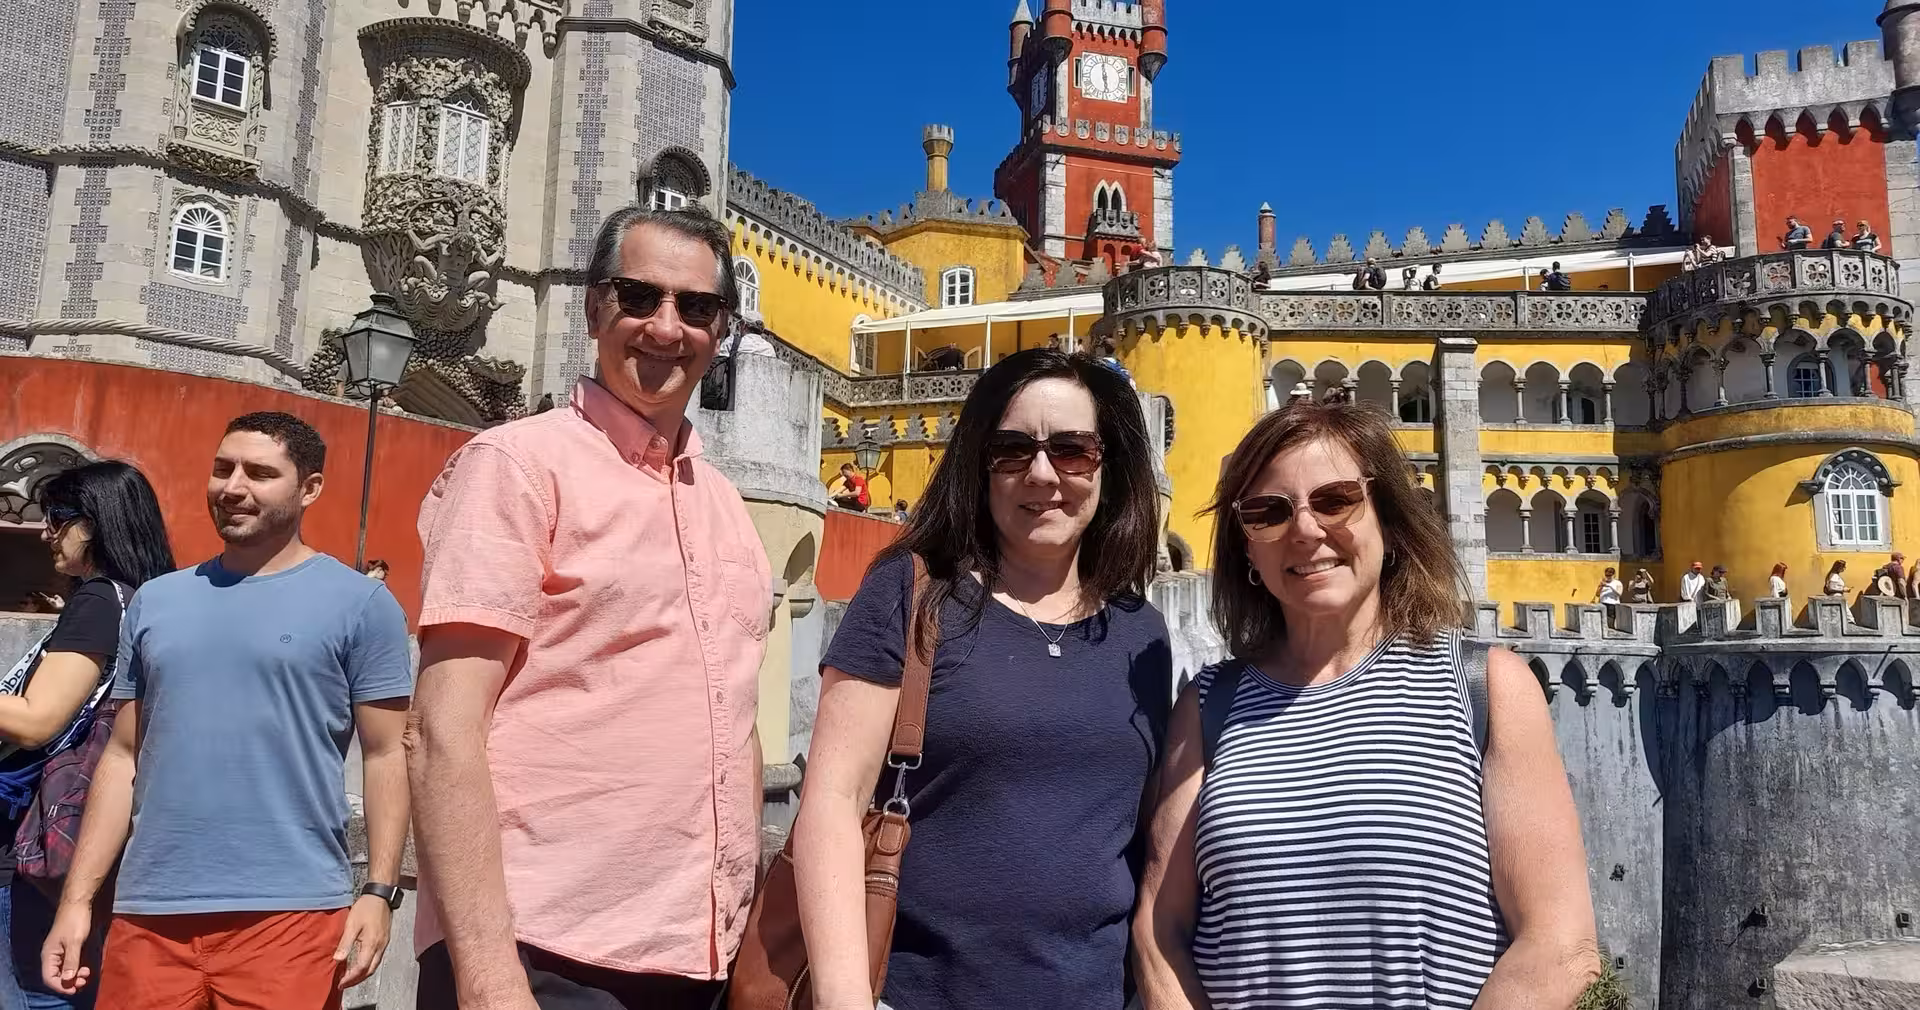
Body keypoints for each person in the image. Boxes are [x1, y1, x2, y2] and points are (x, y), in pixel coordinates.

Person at [408, 206, 772, 1010]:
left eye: (697, 307)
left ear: (721, 330)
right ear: (594, 307)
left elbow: (737, 724)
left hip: (699, 957)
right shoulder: (516, 466)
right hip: (543, 951)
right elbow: (440, 729)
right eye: (639, 297)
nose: (666, 327)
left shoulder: (726, 506)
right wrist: (489, 977)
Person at [1134, 400, 1597, 1009]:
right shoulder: (1208, 705)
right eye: (1268, 512)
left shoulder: (1486, 687)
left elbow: (1560, 946)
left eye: (1335, 500)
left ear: (1390, 522)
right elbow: (1158, 930)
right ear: (1246, 549)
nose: (1305, 531)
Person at [793, 347, 1170, 1010]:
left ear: (1108, 465)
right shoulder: (912, 595)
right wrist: (842, 997)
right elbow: (833, 799)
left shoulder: (1142, 634)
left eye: (1073, 451)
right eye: (1012, 450)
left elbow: (1143, 839)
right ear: (980, 463)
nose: (1042, 474)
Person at [42, 413, 413, 1010]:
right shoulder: (156, 602)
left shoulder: (362, 604)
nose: (233, 487)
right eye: (223, 469)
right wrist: (77, 902)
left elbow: (387, 753)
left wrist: (379, 891)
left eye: (260, 473)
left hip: (291, 916)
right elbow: (122, 755)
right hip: (149, 913)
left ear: (310, 488)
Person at [0, 462, 175, 1010]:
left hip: (40, 839)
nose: (46, 532)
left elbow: (37, 720)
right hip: (88, 838)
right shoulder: (146, 600)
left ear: (94, 524)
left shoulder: (101, 598)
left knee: (34, 994)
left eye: (57, 517)